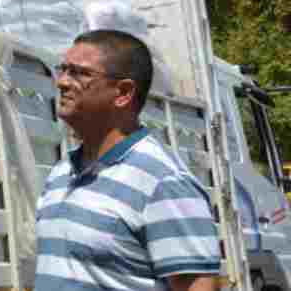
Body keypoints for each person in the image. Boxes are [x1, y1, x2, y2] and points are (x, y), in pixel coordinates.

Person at [35, 30, 221, 291]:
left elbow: (197, 286)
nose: (63, 82)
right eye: (63, 70)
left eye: (80, 73)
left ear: (123, 92)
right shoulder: (61, 173)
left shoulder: (162, 182)